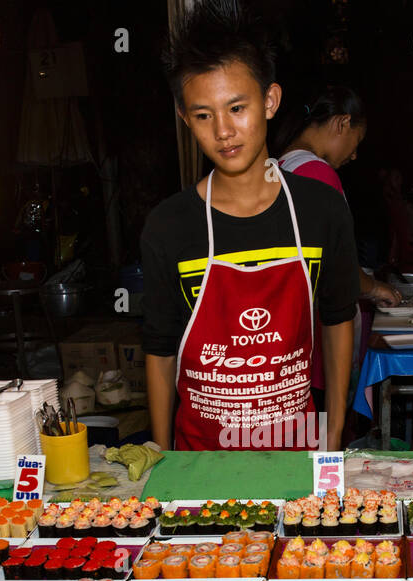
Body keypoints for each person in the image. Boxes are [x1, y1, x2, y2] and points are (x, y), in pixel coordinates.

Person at [141, 1, 360, 452]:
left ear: (270, 101)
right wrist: (162, 459)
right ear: (185, 119)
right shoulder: (169, 226)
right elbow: (160, 350)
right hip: (200, 457)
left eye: (237, 107)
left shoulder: (321, 210)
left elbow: (338, 320)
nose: (223, 131)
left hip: (298, 451)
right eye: (203, 115)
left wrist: (333, 435)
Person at [274, 85, 402, 305]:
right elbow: (337, 262)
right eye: (357, 141)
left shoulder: (284, 162)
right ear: (341, 123)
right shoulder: (317, 172)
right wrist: (374, 288)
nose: (354, 155)